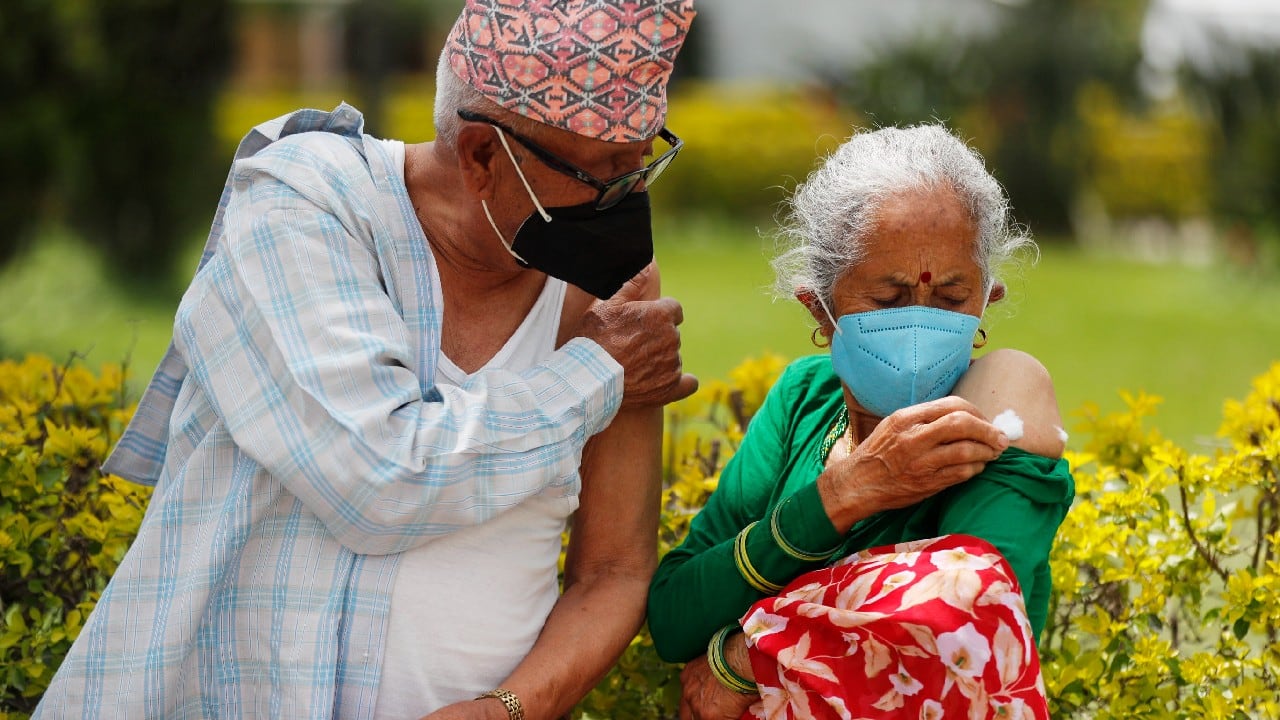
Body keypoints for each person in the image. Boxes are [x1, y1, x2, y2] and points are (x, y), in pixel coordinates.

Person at [36, 1, 697, 719]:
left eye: (642, 162)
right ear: (481, 156)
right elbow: (377, 478)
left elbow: (614, 570)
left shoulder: (611, 292)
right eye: (602, 173)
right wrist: (595, 376)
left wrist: (509, 708)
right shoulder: (303, 204)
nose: (627, 198)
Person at [646, 123, 1075, 720]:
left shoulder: (999, 415)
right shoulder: (805, 399)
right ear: (819, 309)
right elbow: (673, 615)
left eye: (951, 299)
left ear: (986, 302)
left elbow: (958, 626)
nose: (921, 323)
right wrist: (843, 494)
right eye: (888, 299)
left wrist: (742, 658)